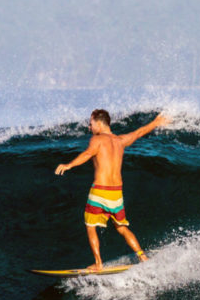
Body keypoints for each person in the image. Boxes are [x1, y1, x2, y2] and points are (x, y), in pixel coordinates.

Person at [55, 109, 169, 270]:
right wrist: (156, 123)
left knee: (90, 226)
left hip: (100, 191)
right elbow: (139, 133)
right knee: (122, 227)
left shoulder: (97, 139)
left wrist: (69, 165)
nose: (89, 127)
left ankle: (98, 263)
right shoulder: (120, 140)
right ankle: (142, 256)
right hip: (116, 193)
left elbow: (87, 154)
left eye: (91, 123)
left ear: (99, 122)